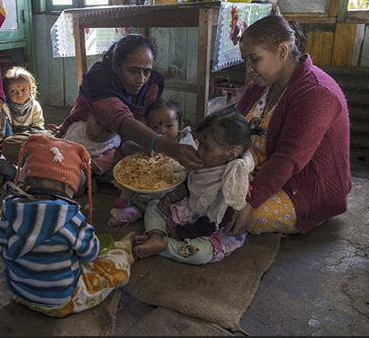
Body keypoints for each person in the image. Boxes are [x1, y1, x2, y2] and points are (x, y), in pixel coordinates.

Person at [226, 14, 352, 237]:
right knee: (204, 186)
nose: (249, 69)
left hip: (301, 188)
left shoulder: (316, 93)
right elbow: (234, 126)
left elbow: (288, 159)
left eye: (254, 59)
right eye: (246, 61)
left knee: (234, 213)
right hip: (257, 171)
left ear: (282, 52)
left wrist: (250, 202)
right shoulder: (260, 85)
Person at [0, 134, 135, 317]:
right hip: (59, 302)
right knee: (117, 263)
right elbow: (91, 254)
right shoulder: (71, 219)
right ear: (69, 187)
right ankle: (125, 248)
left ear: (27, 180)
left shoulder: (9, 210)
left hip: (18, 293)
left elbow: (3, 243)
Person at [51, 33, 202, 173]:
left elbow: (142, 123)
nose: (141, 79)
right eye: (133, 71)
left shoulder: (150, 86)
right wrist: (172, 148)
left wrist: (131, 145)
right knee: (65, 165)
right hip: (86, 134)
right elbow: (122, 121)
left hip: (120, 138)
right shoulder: (97, 80)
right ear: (115, 66)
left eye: (146, 72)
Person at [132, 107, 260, 264]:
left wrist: (181, 232)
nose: (199, 151)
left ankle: (166, 245)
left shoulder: (234, 183)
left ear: (232, 153)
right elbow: (190, 185)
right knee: (154, 205)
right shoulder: (209, 162)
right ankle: (156, 236)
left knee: (199, 253)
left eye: (206, 147)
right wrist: (171, 197)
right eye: (200, 143)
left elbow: (216, 222)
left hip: (211, 229)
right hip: (192, 210)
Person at [109, 98, 198, 227]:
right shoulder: (148, 141)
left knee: (158, 203)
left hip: (172, 188)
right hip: (146, 182)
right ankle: (126, 199)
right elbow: (126, 144)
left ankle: (135, 212)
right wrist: (135, 151)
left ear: (180, 126)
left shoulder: (185, 145)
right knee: (131, 179)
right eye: (155, 127)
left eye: (168, 126)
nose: (162, 131)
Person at [62, 112, 121, 195]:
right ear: (89, 116)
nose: (99, 131)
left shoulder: (110, 147)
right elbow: (62, 144)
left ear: (116, 133)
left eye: (107, 130)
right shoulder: (75, 129)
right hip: (61, 160)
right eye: (97, 123)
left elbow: (92, 167)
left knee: (73, 181)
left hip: (81, 169)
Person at [2, 65, 45, 133]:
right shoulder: (5, 106)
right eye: (13, 91)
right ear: (6, 92)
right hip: (12, 137)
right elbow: (5, 127)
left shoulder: (34, 106)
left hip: (31, 136)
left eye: (23, 90)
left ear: (30, 88)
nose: (19, 94)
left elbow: (38, 125)